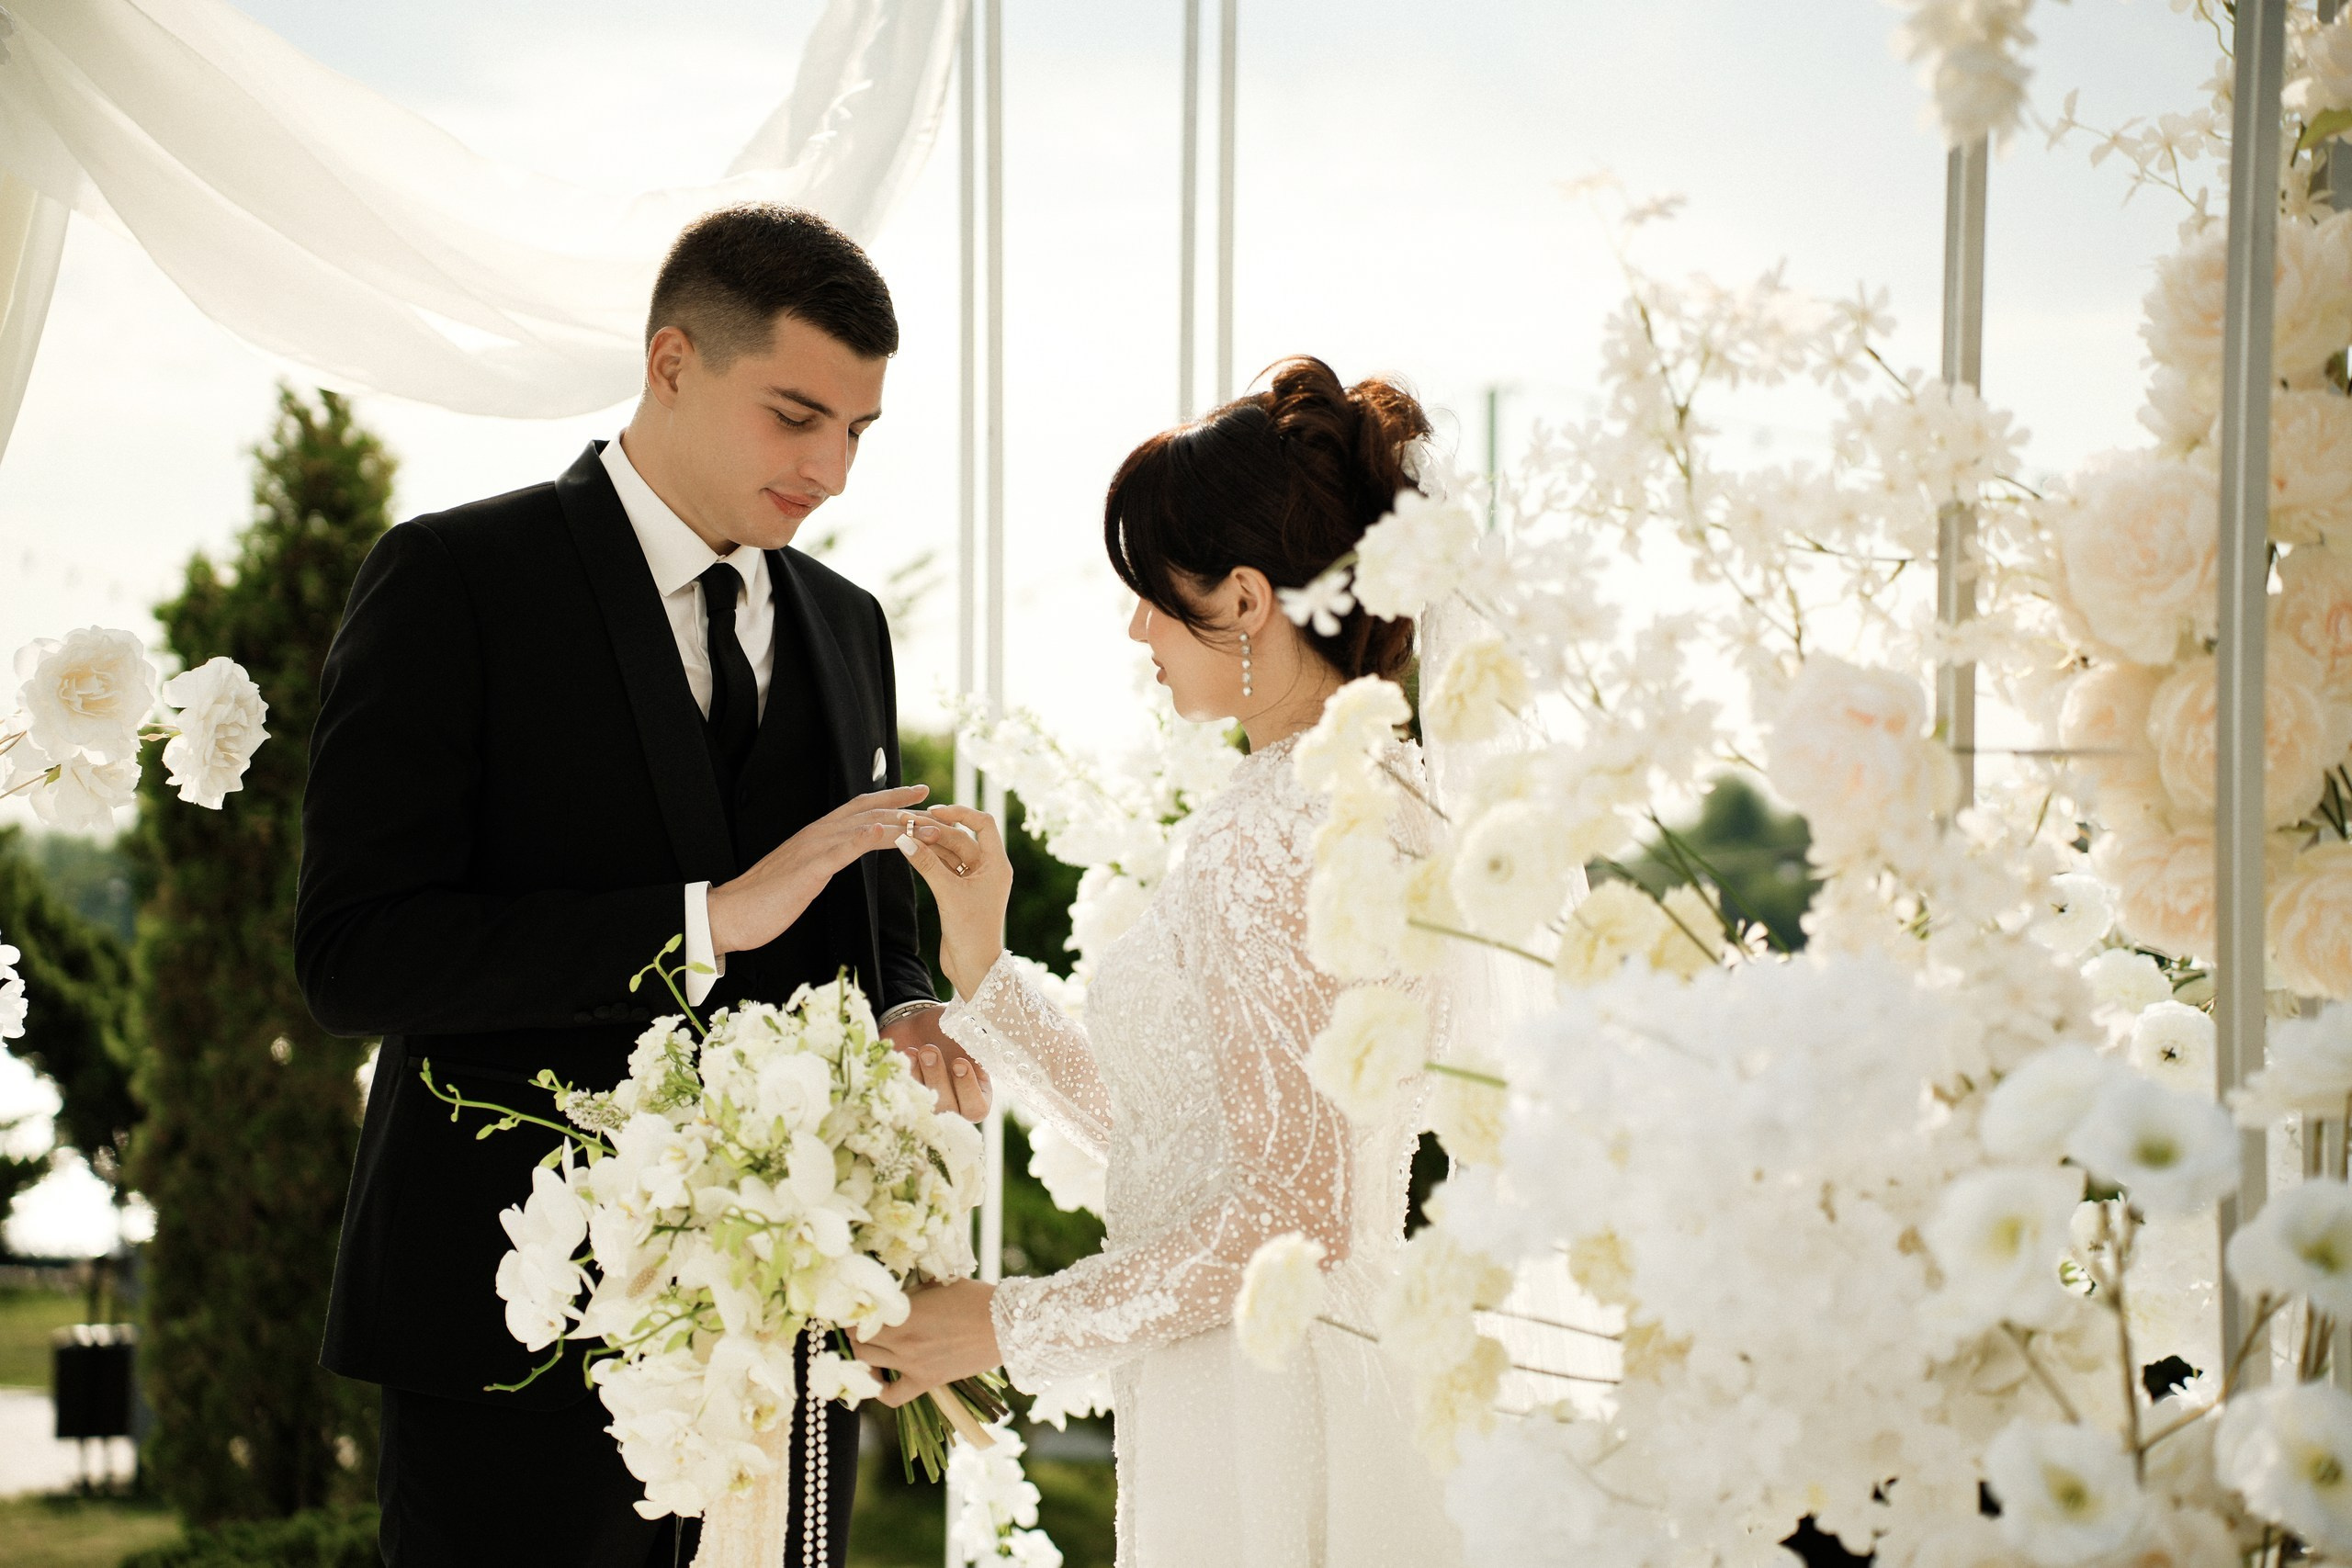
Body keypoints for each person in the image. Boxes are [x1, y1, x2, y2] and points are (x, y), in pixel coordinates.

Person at [295, 203, 990, 1568]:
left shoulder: (848, 627)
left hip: (783, 1331)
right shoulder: (453, 579)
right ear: (671, 362)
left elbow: (870, 934)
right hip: (515, 1325)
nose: (832, 470)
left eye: (858, 430)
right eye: (798, 416)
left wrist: (907, 1013)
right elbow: (355, 954)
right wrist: (702, 924)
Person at [857, 357, 1465, 1568]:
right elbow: (1187, 1142)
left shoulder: (1289, 825)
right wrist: (984, 966)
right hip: (1264, 1376)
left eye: (1150, 591)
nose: (1136, 626)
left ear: (1244, 599)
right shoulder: (1325, 796)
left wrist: (1008, 1325)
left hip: (1267, 1403)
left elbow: (1293, 1218)